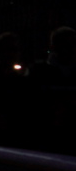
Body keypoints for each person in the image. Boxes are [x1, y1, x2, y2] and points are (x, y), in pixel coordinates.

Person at [28, 26, 76, 157]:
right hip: (48, 135)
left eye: (71, 44)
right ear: (55, 46)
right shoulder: (39, 71)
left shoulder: (39, 70)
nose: (68, 48)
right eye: (64, 44)